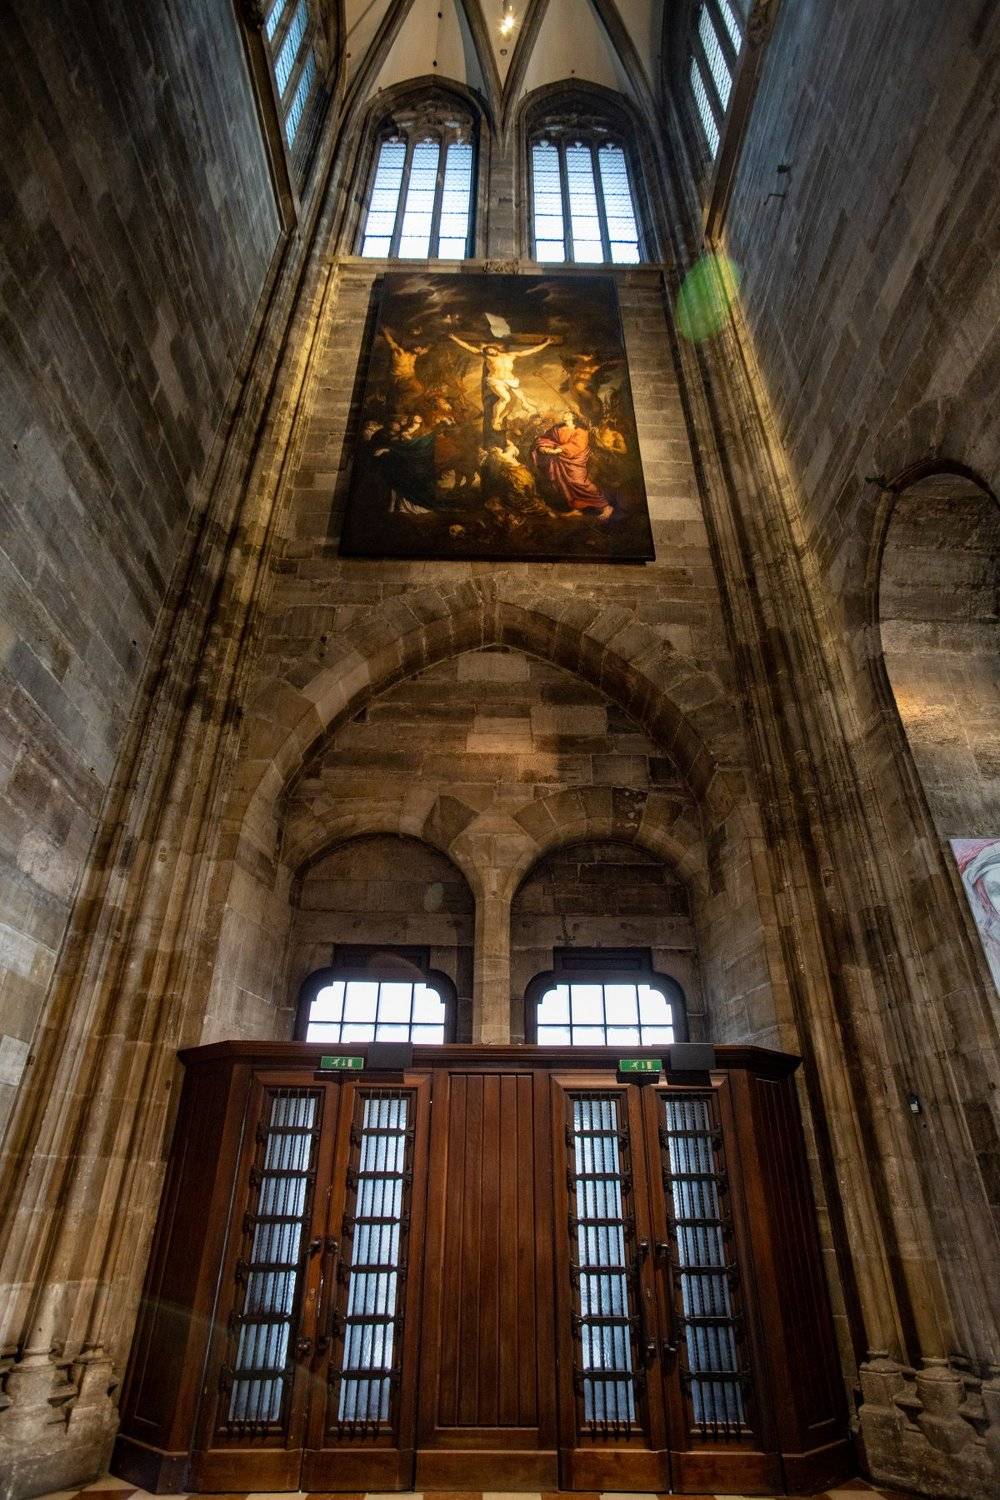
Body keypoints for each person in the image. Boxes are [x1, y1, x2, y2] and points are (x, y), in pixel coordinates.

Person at [448, 333, 555, 430]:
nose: (489, 351)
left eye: (490, 349)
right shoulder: (488, 357)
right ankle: (495, 420)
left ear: (495, 349)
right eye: (487, 351)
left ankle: (501, 418)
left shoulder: (511, 355)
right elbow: (469, 348)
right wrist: (454, 338)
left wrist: (546, 343)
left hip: (511, 380)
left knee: (514, 401)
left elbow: (530, 351)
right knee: (506, 398)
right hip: (496, 380)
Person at [533, 410, 615, 520]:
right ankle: (576, 508)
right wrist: (542, 447)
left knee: (580, 483)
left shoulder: (581, 431)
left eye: (567, 413)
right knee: (564, 484)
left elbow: (577, 445)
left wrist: (557, 450)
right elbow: (545, 438)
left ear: (573, 417)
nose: (564, 414)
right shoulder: (556, 429)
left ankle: (605, 506)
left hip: (574, 461)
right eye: (564, 413)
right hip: (560, 462)